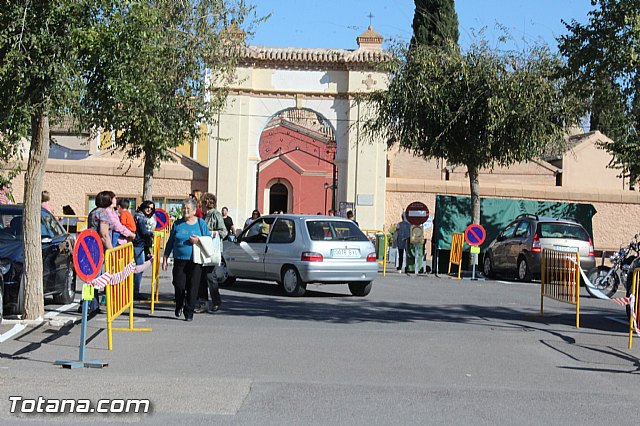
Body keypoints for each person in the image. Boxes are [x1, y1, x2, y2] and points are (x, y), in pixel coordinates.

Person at [162, 198, 209, 322]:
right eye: (184, 208)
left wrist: (198, 240)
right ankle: (179, 304)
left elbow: (208, 239)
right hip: (179, 260)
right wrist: (165, 257)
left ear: (194, 211)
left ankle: (189, 312)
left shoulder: (201, 223)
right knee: (179, 285)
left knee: (193, 287)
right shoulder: (177, 224)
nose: (185, 211)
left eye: (188, 209)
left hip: (196, 260)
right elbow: (170, 241)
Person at [195, 192, 228, 313]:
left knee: (210, 276)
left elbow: (224, 232)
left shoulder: (216, 214)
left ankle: (216, 301)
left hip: (211, 250)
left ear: (206, 203)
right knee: (201, 277)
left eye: (202, 203)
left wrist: (214, 233)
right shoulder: (204, 216)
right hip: (203, 249)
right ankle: (203, 303)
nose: (200, 206)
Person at [132, 201, 155, 300]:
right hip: (138, 245)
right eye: (147, 207)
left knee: (139, 268)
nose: (149, 209)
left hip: (141, 245)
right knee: (139, 269)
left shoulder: (143, 217)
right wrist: (151, 234)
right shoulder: (140, 217)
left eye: (151, 208)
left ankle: (134, 290)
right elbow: (144, 231)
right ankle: (135, 292)